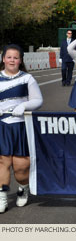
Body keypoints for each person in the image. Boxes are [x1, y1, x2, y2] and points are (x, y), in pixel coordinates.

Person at [0, 44, 43, 213]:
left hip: (21, 125)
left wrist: (24, 106)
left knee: (21, 167)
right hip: (2, 125)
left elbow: (38, 100)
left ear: (20, 60)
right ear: (3, 59)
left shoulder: (27, 78)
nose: (12, 60)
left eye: (15, 57)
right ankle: (2, 197)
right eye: (9, 57)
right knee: (3, 162)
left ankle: (23, 188)